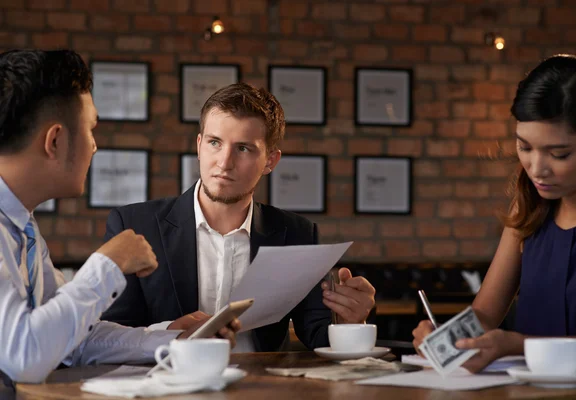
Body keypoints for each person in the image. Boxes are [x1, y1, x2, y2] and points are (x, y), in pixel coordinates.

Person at [0, 49, 239, 385]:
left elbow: (71, 342)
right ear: (55, 140)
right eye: (90, 129)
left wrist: (172, 339)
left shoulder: (22, 229)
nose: (94, 146)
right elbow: (25, 356)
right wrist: (108, 263)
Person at [101, 82, 376, 352]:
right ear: (199, 146)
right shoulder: (134, 226)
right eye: (214, 143)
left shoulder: (296, 233)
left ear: (270, 161)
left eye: (243, 148)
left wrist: (351, 321)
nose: (224, 162)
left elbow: (318, 335)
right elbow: (109, 337)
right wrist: (171, 334)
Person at [413, 54, 576, 372]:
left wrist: (519, 346)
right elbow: (484, 316)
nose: (536, 169)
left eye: (559, 153)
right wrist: (449, 339)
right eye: (524, 147)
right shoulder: (529, 207)